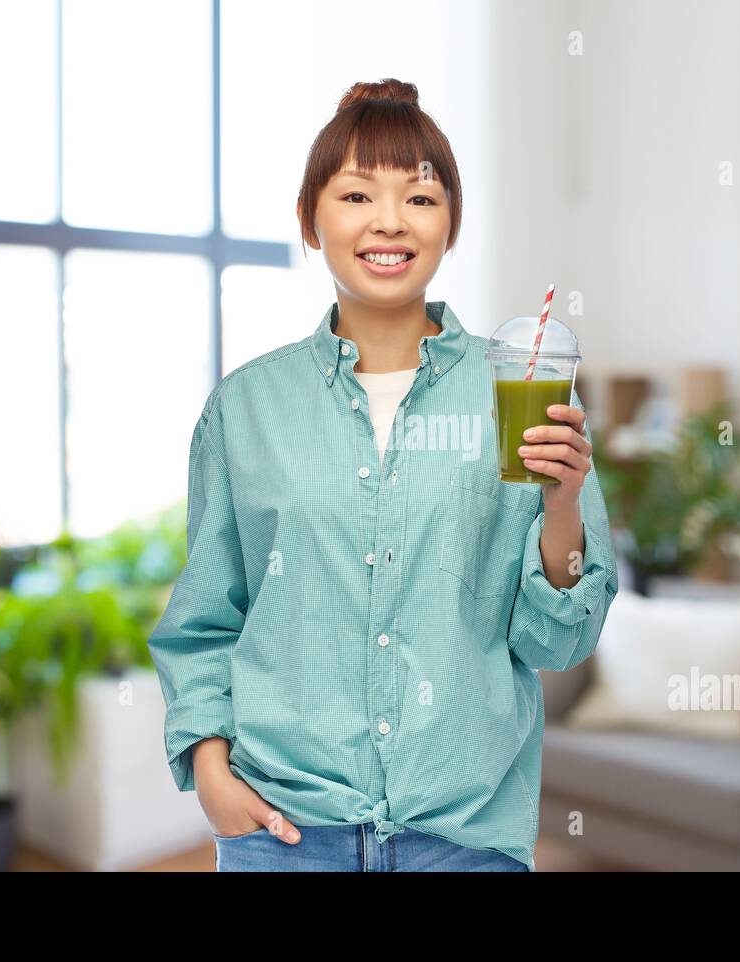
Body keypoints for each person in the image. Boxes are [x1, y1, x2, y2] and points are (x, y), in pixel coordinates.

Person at [147, 78, 618, 872]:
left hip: (464, 840)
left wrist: (563, 506)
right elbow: (204, 620)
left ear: (450, 224)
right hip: (284, 832)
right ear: (310, 220)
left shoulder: (521, 389)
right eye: (357, 194)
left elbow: (557, 640)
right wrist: (209, 769)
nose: (389, 222)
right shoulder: (246, 409)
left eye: (421, 198)